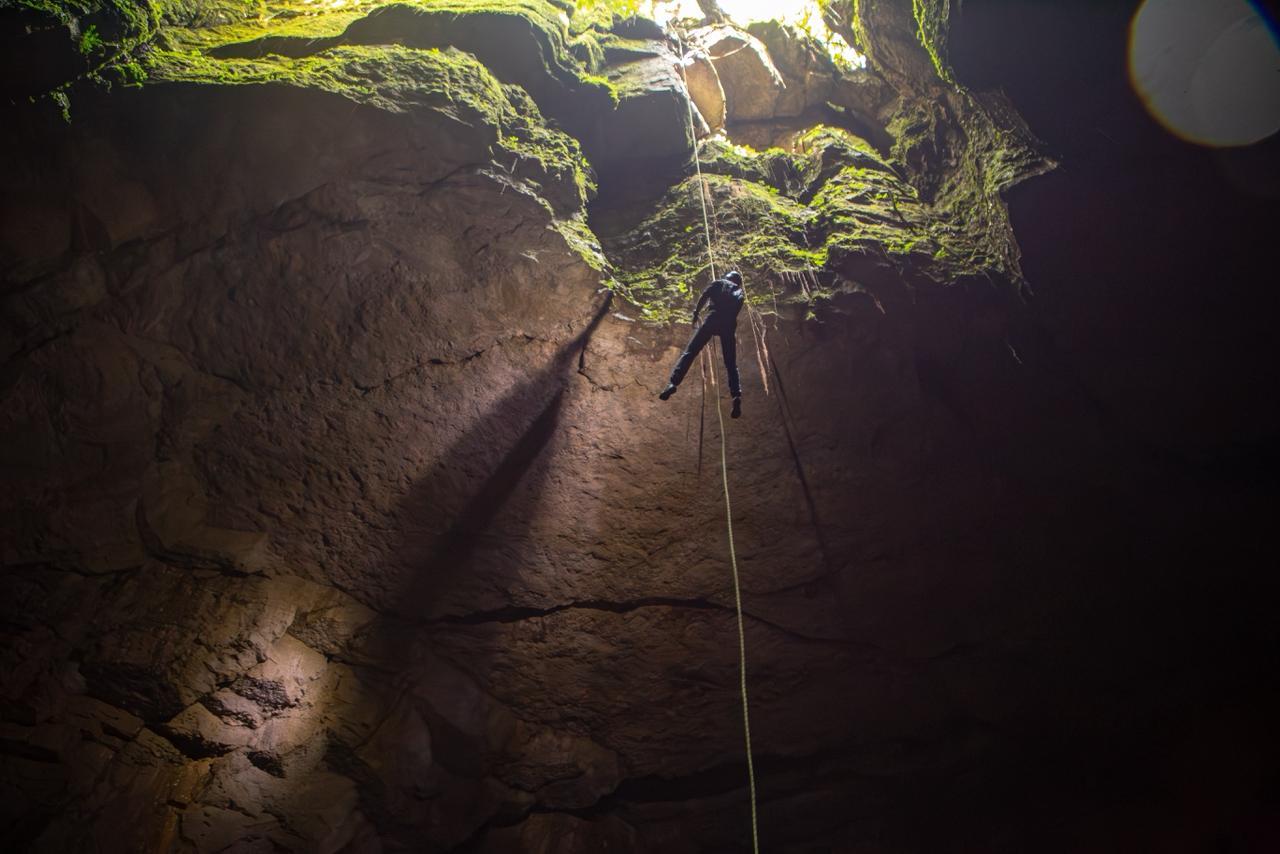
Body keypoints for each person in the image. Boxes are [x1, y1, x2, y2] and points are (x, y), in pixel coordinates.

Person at [658, 269, 745, 418]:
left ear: (727, 277)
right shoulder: (740, 292)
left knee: (690, 352)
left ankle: (673, 383)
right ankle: (736, 395)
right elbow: (734, 310)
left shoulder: (718, 283)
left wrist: (696, 313)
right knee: (731, 363)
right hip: (729, 326)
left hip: (713, 319)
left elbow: (705, 296)